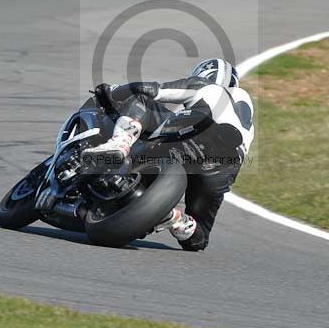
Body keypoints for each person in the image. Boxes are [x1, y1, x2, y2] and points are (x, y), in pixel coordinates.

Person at [82, 59, 254, 251]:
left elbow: (153, 89)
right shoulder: (245, 112)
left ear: (205, 74)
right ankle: (177, 221)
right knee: (199, 238)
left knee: (142, 101)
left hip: (199, 131)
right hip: (227, 164)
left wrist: (113, 92)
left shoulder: (205, 86)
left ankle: (119, 144)